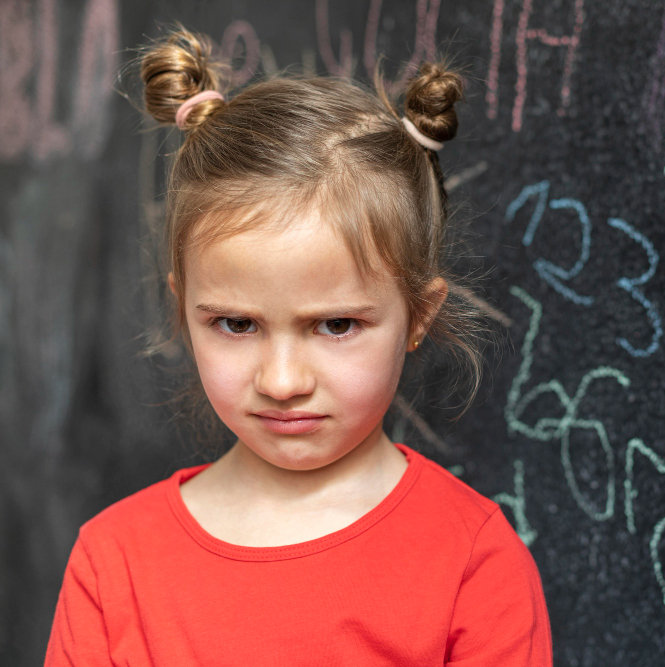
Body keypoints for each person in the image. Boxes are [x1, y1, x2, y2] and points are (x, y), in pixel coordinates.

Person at [44, 26, 551, 666]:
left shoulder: (474, 565)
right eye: (236, 325)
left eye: (336, 326)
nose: (282, 382)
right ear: (183, 309)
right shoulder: (113, 563)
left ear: (419, 315)